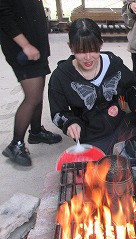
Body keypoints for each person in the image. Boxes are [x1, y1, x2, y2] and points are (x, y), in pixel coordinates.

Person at [48, 18, 136, 164]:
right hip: (92, 134)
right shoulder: (61, 76)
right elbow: (58, 112)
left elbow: (131, 86)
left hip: (121, 123)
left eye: (93, 49)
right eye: (80, 51)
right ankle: (117, 157)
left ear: (101, 44)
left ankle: (128, 153)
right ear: (70, 47)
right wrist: (70, 123)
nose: (88, 57)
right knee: (102, 170)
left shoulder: (112, 63)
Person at [0, 0, 62, 167]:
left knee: (37, 92)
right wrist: (25, 45)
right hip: (22, 49)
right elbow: (4, 16)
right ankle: (15, 144)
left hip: (35, 46)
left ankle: (35, 131)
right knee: (32, 97)